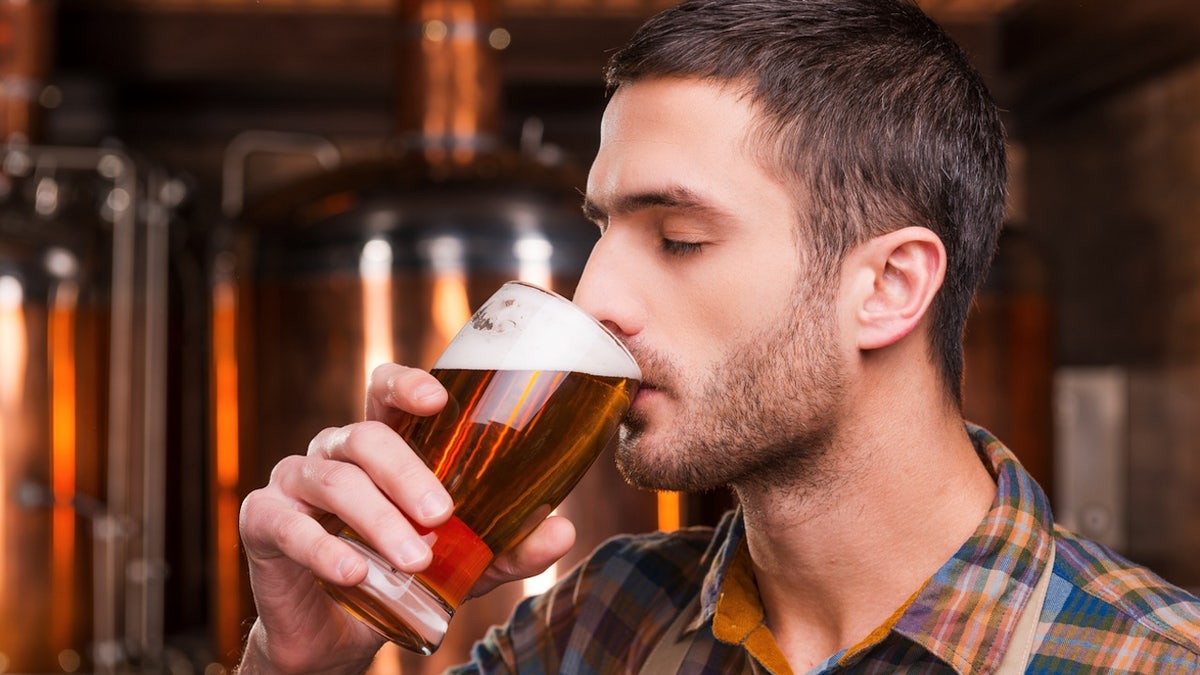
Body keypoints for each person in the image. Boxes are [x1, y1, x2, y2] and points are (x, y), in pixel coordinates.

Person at [236, 0, 1200, 672]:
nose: (594, 295)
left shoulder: (1146, 659)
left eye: (681, 238)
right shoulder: (598, 621)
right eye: (600, 231)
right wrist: (296, 662)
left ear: (889, 287)